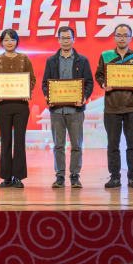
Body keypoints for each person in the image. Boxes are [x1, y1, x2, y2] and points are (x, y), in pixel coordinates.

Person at [41, 25, 94, 189]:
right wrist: (48, 96)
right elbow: (45, 83)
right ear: (58, 40)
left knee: (76, 145)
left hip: (75, 110)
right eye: (62, 38)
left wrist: (83, 98)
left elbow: (89, 82)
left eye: (68, 38)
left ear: (73, 39)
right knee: (58, 145)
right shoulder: (51, 61)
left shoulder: (82, 60)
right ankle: (60, 176)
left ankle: (75, 175)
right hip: (57, 110)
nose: (65, 41)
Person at [95, 23, 133, 189]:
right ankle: (115, 177)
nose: (122, 38)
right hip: (112, 107)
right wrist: (103, 84)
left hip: (132, 107)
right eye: (119, 35)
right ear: (114, 37)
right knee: (113, 145)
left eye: (125, 35)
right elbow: (99, 75)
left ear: (130, 37)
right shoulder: (106, 55)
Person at [0, 28, 36, 188]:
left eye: (12, 39)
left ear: (17, 42)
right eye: (6, 40)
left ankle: (18, 177)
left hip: (21, 106)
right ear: (1, 42)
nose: (9, 43)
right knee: (6, 140)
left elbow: (32, 78)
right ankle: (7, 177)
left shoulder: (24, 59)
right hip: (3, 106)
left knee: (19, 141)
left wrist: (28, 91)